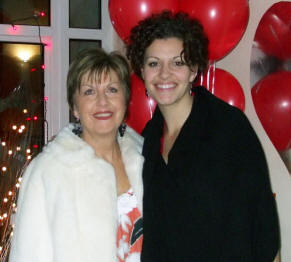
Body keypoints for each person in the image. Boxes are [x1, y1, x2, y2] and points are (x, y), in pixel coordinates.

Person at [126, 10, 280, 262]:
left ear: (193, 69)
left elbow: (263, 226)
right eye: (154, 63)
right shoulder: (147, 141)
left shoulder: (228, 128)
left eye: (177, 62)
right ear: (142, 71)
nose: (165, 74)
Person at [9, 48, 144, 262]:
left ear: (125, 100)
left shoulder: (146, 159)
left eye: (112, 90)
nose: (102, 101)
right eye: (89, 92)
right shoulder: (48, 171)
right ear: (75, 107)